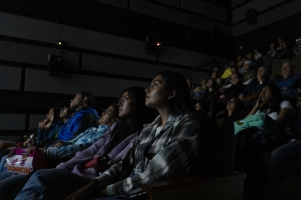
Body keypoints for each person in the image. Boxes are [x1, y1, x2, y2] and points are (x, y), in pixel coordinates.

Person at [15, 71, 201, 200]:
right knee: (39, 178)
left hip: (138, 195)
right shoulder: (150, 128)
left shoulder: (186, 124)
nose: (147, 89)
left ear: (172, 93)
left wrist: (98, 190)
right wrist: (93, 186)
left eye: (154, 85)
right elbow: (123, 164)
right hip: (108, 184)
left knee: (42, 180)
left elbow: (153, 176)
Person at [0, 87, 157, 200]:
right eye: (120, 99)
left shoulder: (138, 134)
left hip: (90, 174)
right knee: (12, 170)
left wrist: (52, 153)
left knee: (38, 176)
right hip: (69, 164)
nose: (120, 103)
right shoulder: (117, 128)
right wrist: (61, 166)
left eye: (125, 99)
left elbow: (106, 160)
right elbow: (87, 151)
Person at [234, 83, 294, 195]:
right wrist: (256, 107)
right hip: (254, 137)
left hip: (272, 138)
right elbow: (242, 123)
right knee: (243, 136)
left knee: (245, 137)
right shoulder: (260, 110)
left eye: (266, 91)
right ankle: (243, 183)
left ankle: (244, 184)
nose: (262, 93)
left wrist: (256, 122)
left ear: (274, 94)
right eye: (261, 91)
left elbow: (277, 124)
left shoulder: (284, 103)